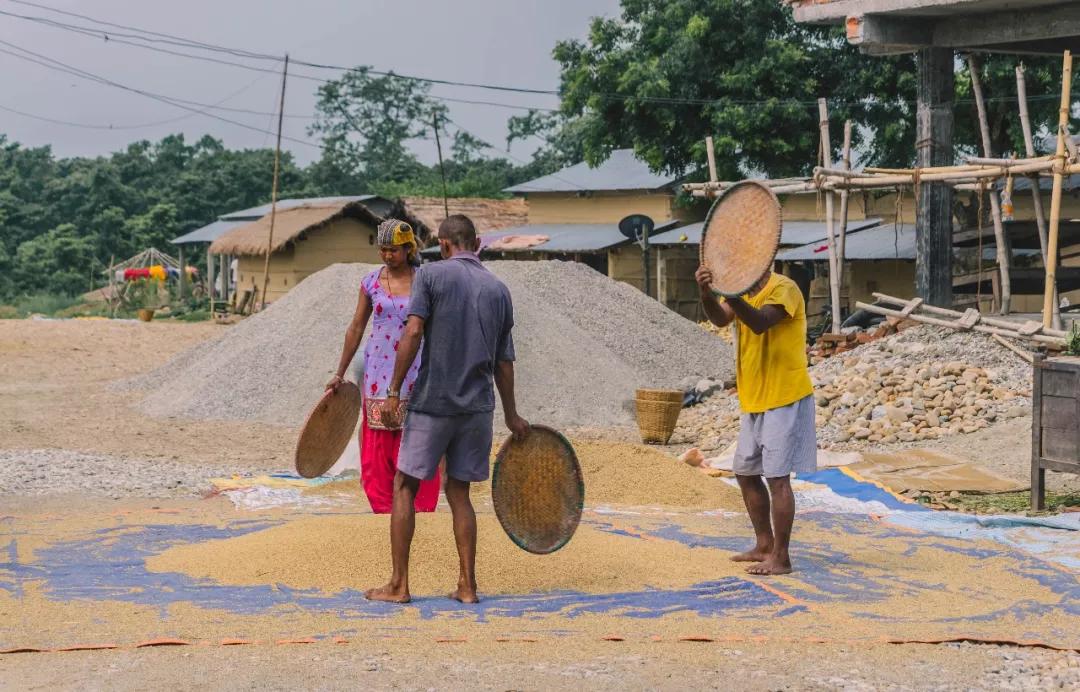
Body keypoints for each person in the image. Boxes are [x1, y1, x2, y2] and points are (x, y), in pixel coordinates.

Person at [366, 214, 529, 605]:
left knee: (404, 485)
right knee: (460, 493)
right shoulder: (499, 289)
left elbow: (414, 330)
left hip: (432, 402)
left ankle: (399, 585)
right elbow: (504, 363)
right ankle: (467, 586)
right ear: (476, 243)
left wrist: (392, 390)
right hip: (477, 409)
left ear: (443, 244)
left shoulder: (432, 276)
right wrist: (511, 415)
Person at [696, 265, 816, 576]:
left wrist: (729, 294)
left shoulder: (784, 288)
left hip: (784, 396)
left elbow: (761, 322)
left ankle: (781, 556)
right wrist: (707, 293)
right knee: (746, 473)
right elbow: (721, 318)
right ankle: (764, 543)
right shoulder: (743, 294)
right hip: (754, 398)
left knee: (777, 478)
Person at [327, 219, 441, 514]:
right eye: (383, 250)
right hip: (378, 369)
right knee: (379, 436)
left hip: (418, 368)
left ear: (408, 249)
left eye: (393, 250)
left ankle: (421, 508)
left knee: (418, 434)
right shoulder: (370, 282)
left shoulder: (425, 281)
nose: (387, 255)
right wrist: (339, 372)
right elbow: (356, 327)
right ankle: (384, 508)